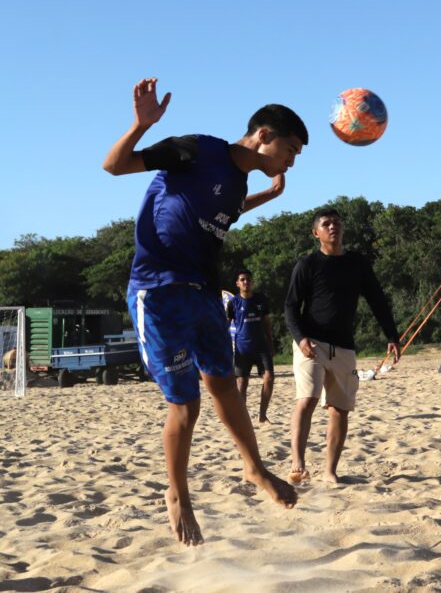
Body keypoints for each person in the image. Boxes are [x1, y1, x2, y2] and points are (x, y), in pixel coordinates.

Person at [103, 78, 302, 546]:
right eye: (291, 148)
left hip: (204, 292)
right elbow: (114, 166)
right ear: (264, 136)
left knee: (224, 384)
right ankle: (178, 496)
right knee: (186, 403)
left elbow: (223, 209)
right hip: (158, 288)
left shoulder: (239, 182)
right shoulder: (197, 149)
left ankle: (254, 467)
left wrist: (266, 199)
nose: (293, 160)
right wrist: (139, 125)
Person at [284, 209, 401, 484]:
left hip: (344, 346)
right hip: (310, 343)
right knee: (308, 399)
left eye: (337, 222)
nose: (332, 226)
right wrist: (300, 338)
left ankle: (329, 472)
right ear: (316, 233)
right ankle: (298, 464)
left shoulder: (357, 263)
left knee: (340, 408)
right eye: (326, 224)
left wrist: (392, 336)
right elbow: (290, 306)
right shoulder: (307, 264)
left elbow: (377, 300)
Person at [227, 269, 275, 424]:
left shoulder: (261, 299)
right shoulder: (233, 302)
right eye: (242, 279)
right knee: (242, 383)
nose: (246, 282)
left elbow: (266, 323)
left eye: (248, 279)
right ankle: (243, 417)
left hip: (262, 347)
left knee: (269, 378)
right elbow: (226, 325)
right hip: (242, 349)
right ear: (237, 283)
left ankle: (262, 414)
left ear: (252, 281)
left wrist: (271, 342)